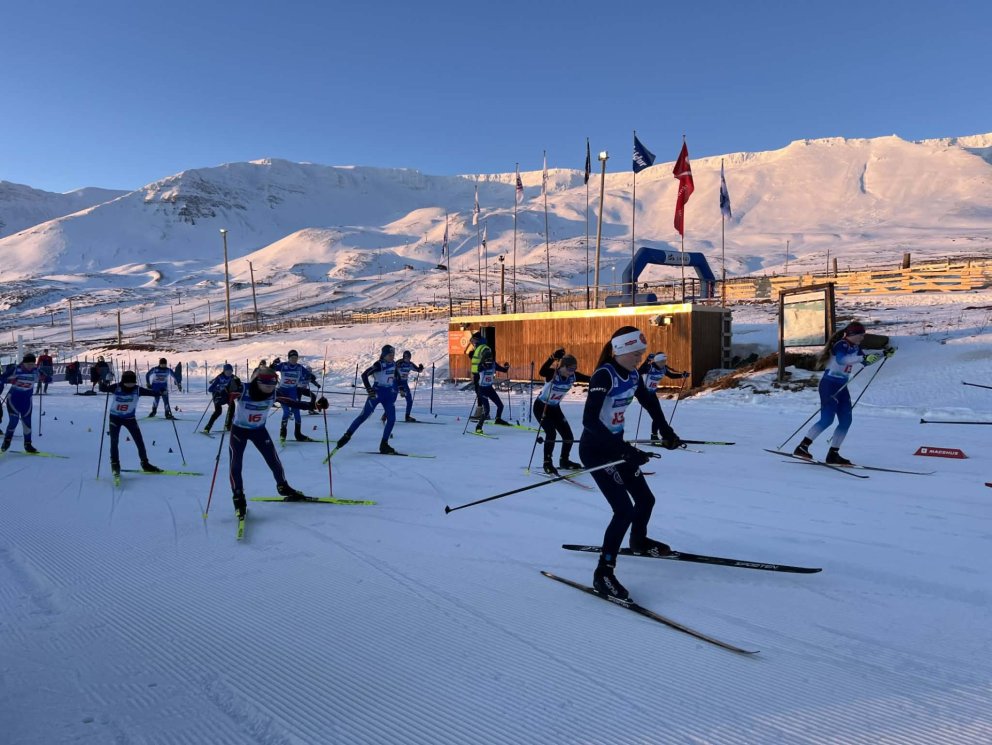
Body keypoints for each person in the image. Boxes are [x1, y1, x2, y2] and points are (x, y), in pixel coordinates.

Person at [579, 326, 683, 600]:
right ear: (622, 350)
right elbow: (589, 421)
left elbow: (649, 402)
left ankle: (638, 540)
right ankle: (603, 573)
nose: (640, 359)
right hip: (597, 452)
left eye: (642, 354)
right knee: (623, 510)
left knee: (646, 500)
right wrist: (625, 450)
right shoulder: (605, 375)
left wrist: (666, 430)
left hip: (618, 448)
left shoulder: (634, 374)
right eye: (636, 354)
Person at [228, 366, 328, 518]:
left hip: (259, 431)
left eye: (272, 385)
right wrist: (228, 390)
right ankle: (238, 496)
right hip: (239, 431)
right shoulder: (243, 389)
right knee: (236, 463)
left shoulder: (274, 393)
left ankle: (283, 486)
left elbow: (292, 402)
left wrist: (314, 405)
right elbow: (225, 396)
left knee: (273, 460)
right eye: (266, 385)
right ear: (257, 382)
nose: (269, 389)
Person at [793, 321, 895, 465]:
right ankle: (802, 447)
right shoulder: (841, 344)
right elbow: (842, 360)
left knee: (846, 420)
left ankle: (833, 454)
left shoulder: (856, 347)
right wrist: (863, 358)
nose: (862, 338)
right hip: (829, 384)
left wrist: (883, 354)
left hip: (842, 386)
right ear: (852, 334)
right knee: (827, 419)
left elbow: (866, 362)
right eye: (860, 335)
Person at [534, 348, 590, 475]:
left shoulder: (573, 376)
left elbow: (590, 379)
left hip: (554, 408)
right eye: (569, 369)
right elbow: (541, 371)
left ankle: (564, 460)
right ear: (562, 367)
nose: (572, 372)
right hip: (541, 407)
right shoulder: (553, 374)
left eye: (574, 369)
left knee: (568, 436)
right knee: (551, 434)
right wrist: (552, 358)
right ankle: (547, 463)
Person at [335, 345, 400, 454]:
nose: (392, 357)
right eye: (390, 355)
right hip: (377, 393)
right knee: (364, 416)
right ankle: (347, 436)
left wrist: (401, 387)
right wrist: (369, 389)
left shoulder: (393, 364)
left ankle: (384, 444)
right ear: (384, 355)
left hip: (388, 394)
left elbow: (397, 376)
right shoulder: (379, 364)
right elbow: (364, 375)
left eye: (393, 354)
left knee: (392, 419)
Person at [99, 370, 162, 476]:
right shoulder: (116, 387)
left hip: (130, 419)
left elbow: (153, 393)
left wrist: (161, 391)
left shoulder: (137, 389)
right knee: (114, 441)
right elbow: (102, 388)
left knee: (139, 441)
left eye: (131, 384)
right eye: (127, 384)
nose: (129, 387)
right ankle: (115, 464)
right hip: (115, 418)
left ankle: (145, 464)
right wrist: (105, 381)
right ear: (123, 382)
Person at [637, 352, 690, 442]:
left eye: (665, 361)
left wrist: (682, 375)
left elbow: (671, 376)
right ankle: (655, 436)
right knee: (657, 416)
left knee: (659, 416)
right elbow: (639, 371)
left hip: (652, 394)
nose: (663, 363)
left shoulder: (664, 369)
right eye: (661, 361)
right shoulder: (650, 367)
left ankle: (654, 436)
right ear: (656, 361)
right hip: (644, 394)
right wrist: (647, 360)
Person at [2, 353, 40, 453]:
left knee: (27, 424)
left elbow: (45, 378)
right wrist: (9, 380)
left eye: (32, 364)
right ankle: (6, 442)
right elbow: (2, 378)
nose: (30, 366)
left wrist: (46, 378)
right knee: (13, 422)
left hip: (26, 402)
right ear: (24, 363)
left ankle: (28, 445)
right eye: (28, 364)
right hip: (13, 400)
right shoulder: (16, 369)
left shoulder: (36, 370)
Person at [273, 350, 313, 441]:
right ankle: (283, 433)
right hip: (283, 392)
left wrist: (311, 376)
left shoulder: (299, 367)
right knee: (286, 412)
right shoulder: (283, 365)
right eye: (292, 358)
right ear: (289, 358)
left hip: (293, 392)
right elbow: (272, 369)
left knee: (297, 412)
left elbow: (307, 374)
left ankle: (298, 434)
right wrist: (273, 364)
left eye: (296, 358)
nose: (294, 360)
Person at [474, 348, 510, 433]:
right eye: (487, 359)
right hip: (482, 389)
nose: (489, 360)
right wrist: (484, 365)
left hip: (489, 388)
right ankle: (478, 427)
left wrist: (506, 367)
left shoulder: (493, 364)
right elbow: (478, 369)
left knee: (500, 405)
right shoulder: (481, 365)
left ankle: (498, 419)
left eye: (490, 358)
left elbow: (504, 370)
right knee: (487, 410)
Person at [203, 363, 235, 434]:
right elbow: (210, 389)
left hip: (225, 395)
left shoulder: (233, 377)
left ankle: (228, 425)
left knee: (232, 406)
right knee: (218, 412)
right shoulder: (219, 377)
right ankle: (207, 428)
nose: (229, 373)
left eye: (231, 371)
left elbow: (239, 384)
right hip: (217, 396)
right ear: (224, 371)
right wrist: (217, 390)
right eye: (227, 371)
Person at [395, 350, 425, 422]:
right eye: (406, 358)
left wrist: (420, 368)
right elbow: (393, 371)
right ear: (404, 357)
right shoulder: (399, 363)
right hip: (396, 382)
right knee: (392, 400)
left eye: (409, 358)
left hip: (404, 383)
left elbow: (418, 370)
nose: (408, 359)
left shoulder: (410, 364)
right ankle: (385, 415)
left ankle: (407, 416)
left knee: (409, 401)